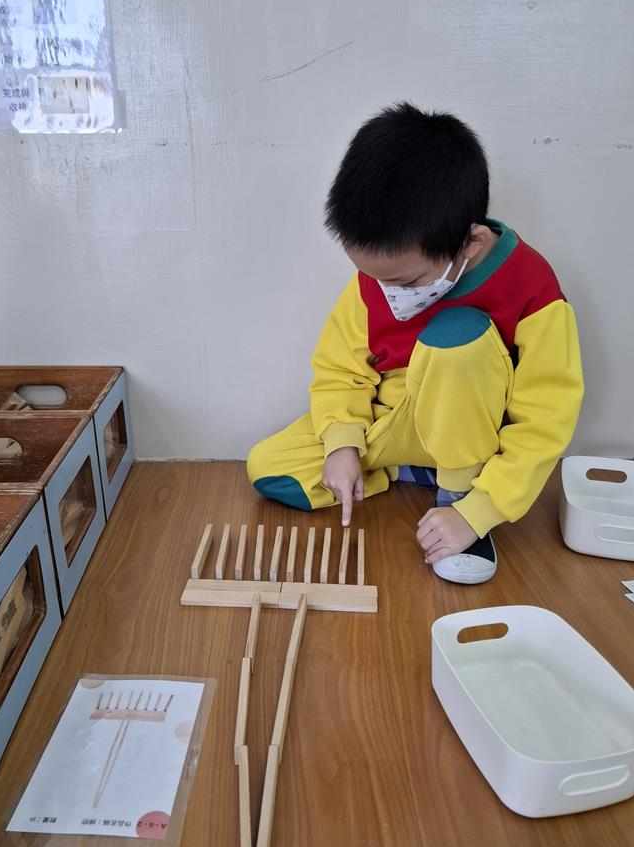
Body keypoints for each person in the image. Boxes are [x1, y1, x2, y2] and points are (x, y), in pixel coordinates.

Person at [247, 102, 584, 584]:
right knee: (269, 468)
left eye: (405, 282)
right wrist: (342, 443)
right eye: (373, 277)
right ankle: (411, 469)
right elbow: (342, 368)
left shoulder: (533, 288)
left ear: (470, 242)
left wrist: (480, 511)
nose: (388, 292)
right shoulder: (379, 277)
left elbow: (546, 417)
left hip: (470, 435)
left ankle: (458, 495)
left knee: (457, 337)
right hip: (395, 419)